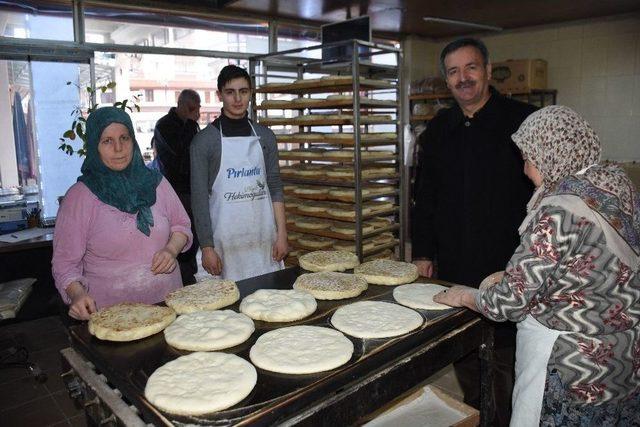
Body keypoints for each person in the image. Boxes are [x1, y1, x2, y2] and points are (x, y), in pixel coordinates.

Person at [434, 105, 640, 426]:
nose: (527, 169)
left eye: (530, 158)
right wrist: (514, 276)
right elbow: (588, 265)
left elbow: (508, 304)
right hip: (625, 364)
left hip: (575, 370)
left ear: (552, 153)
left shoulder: (559, 209)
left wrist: (464, 295)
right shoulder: (616, 187)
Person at [410, 37, 537, 423]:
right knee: (462, 344)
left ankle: (503, 415)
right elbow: (424, 197)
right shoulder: (438, 129)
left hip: (508, 260)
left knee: (506, 353)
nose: (463, 78)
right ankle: (480, 409)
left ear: (486, 69)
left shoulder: (522, 121)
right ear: (446, 80)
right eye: (453, 71)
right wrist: (423, 254)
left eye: (471, 68)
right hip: (455, 257)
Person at [52, 107, 192, 320]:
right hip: (113, 317)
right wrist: (78, 295)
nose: (118, 148)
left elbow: (181, 225)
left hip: (168, 306)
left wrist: (171, 250)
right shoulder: (80, 197)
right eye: (107, 141)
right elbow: (65, 264)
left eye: (124, 138)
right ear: (94, 146)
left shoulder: (157, 183)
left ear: (133, 140)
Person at [191, 64, 287, 281]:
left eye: (243, 92)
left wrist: (281, 234)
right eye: (230, 92)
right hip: (224, 243)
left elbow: (275, 186)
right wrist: (207, 247)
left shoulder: (265, 137)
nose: (237, 99)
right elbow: (199, 199)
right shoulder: (204, 142)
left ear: (250, 94)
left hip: (263, 239)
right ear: (219, 95)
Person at [153, 89, 201, 284]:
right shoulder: (164, 126)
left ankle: (189, 274)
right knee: (177, 233)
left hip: (191, 188)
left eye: (197, 109)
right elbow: (178, 160)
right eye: (191, 108)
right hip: (173, 190)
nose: (195, 113)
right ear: (180, 104)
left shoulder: (191, 125)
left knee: (193, 234)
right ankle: (182, 274)